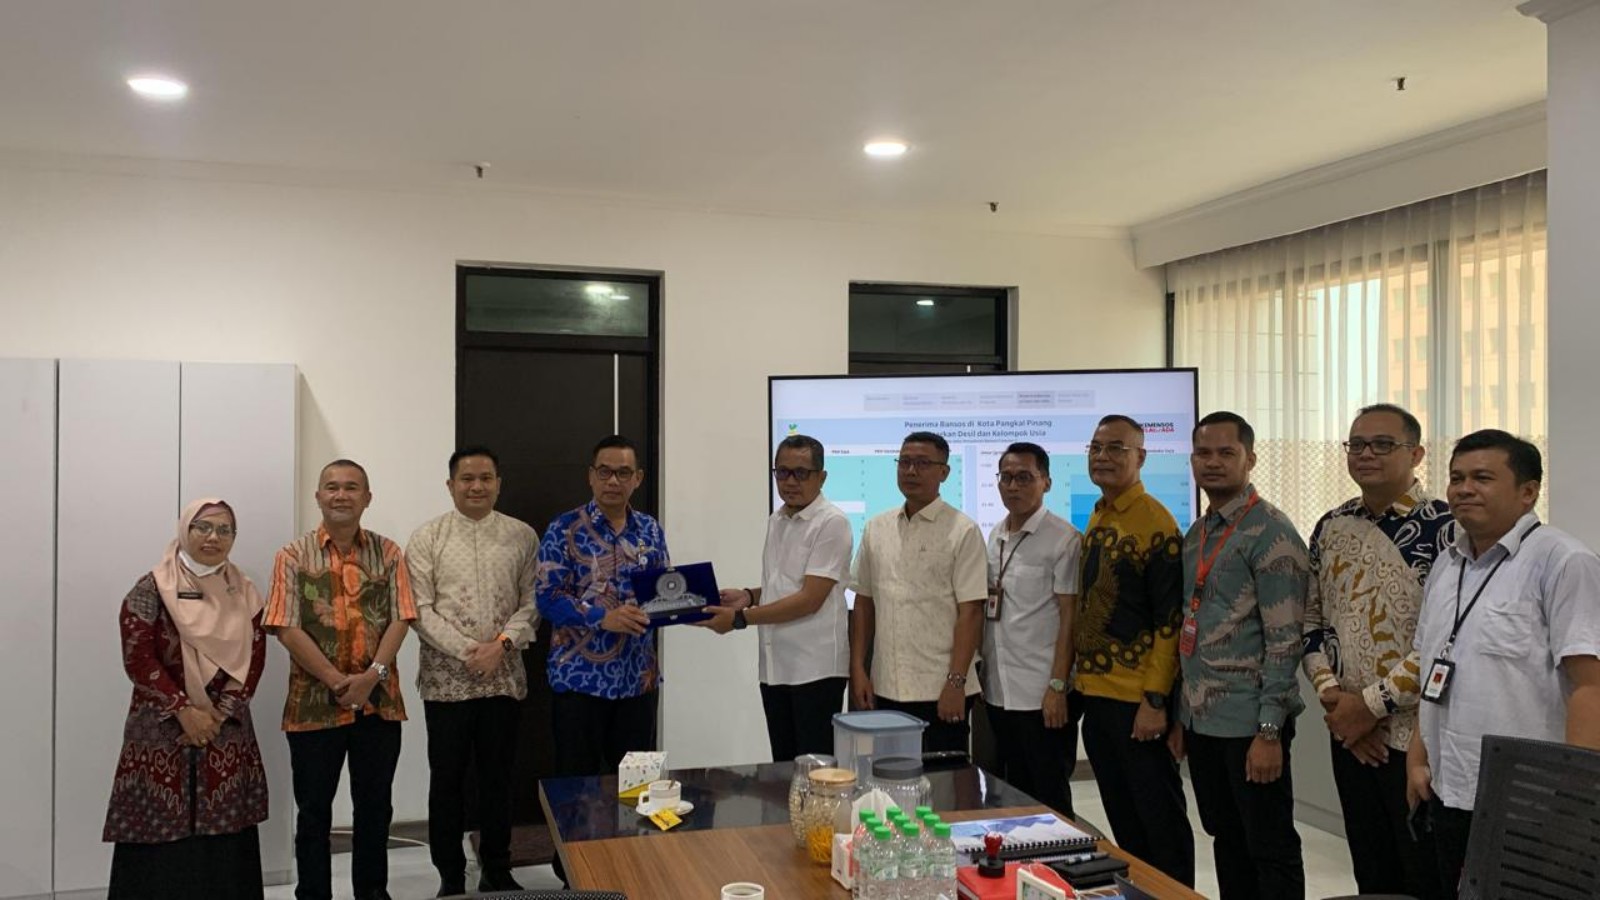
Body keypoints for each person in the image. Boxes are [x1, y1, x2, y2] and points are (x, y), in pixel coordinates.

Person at [1406, 429, 1600, 893]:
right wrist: (1417, 755)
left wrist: (1574, 798)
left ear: (1528, 492)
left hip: (1530, 800)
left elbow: (1590, 685)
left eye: (1482, 478)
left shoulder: (1564, 561)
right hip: (1449, 787)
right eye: (1457, 478)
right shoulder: (1447, 564)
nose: (1464, 489)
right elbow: (1434, 667)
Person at [1301, 404, 1448, 899]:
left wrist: (1370, 707)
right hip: (1350, 736)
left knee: (1424, 875)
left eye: (1383, 444)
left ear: (1417, 454)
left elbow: (1446, 641)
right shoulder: (1332, 525)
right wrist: (1337, 703)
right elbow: (1312, 623)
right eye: (1357, 444)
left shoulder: (1448, 529)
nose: (1367, 454)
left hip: (1418, 740)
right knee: (1370, 870)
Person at [265, 459, 416, 900]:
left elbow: (402, 618)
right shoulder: (292, 555)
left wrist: (372, 676)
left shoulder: (389, 553)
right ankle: (313, 894)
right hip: (312, 706)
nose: (341, 495)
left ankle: (373, 892)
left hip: (378, 703)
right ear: (318, 496)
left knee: (375, 808)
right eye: (332, 487)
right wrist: (335, 679)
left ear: (367, 498)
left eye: (352, 487)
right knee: (314, 812)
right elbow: (284, 626)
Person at [103, 499, 269, 900]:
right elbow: (138, 657)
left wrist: (219, 714)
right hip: (162, 728)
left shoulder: (245, 591)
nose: (214, 537)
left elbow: (255, 656)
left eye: (224, 530)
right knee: (160, 828)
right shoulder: (152, 587)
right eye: (203, 527)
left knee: (225, 829)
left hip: (225, 729)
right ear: (185, 530)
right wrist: (182, 711)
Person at [1174, 411, 1308, 900]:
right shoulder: (1199, 532)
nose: (1212, 463)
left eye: (1226, 453)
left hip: (1250, 723)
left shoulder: (1271, 532)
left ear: (1250, 459)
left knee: (1269, 846)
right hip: (1203, 720)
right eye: (1203, 453)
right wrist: (1182, 716)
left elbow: (1285, 641)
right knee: (1226, 838)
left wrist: (1269, 731)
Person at [406, 447, 539, 897]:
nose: (477, 486)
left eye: (486, 478)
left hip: (503, 678)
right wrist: (470, 652)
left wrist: (500, 647)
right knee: (447, 781)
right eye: (467, 479)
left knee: (498, 779)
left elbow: (533, 602)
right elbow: (419, 610)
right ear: (450, 485)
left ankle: (497, 869)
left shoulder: (522, 536)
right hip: (447, 684)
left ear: (499, 483)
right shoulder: (427, 538)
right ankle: (449, 874)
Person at [1074, 415, 1195, 886]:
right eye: (1096, 447)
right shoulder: (1100, 513)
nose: (1102, 457)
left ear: (1140, 457)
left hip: (1137, 703)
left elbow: (1170, 621)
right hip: (1098, 696)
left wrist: (1155, 699)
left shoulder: (1155, 522)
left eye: (1116, 449)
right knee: (1125, 824)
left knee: (1160, 824)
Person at [702, 434, 853, 761]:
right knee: (784, 766)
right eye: (782, 472)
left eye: (801, 473)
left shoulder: (832, 523)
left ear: (821, 477)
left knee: (816, 769)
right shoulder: (778, 519)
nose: (790, 481)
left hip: (815, 669)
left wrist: (740, 619)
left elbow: (809, 599)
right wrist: (748, 596)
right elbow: (784, 585)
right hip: (775, 665)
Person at [535, 434, 670, 776]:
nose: (613, 481)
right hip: (579, 682)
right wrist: (602, 617)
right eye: (605, 471)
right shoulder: (564, 529)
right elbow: (547, 597)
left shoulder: (650, 530)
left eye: (623, 473)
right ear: (591, 475)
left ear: (637, 478)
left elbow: (663, 592)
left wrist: (694, 607)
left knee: (637, 788)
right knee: (577, 790)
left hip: (638, 681)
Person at [849, 431, 987, 752]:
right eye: (905, 462)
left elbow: (970, 613)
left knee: (944, 778)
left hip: (940, 689)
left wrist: (956, 682)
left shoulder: (963, 531)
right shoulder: (876, 528)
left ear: (944, 472)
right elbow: (864, 602)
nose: (911, 471)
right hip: (886, 685)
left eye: (923, 463)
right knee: (887, 774)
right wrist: (858, 669)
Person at [979, 442, 1082, 817]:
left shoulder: (1064, 539)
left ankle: (1063, 856)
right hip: (1000, 690)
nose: (1013, 486)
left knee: (1050, 796)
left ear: (1046, 482)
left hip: (1042, 694)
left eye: (1024, 477)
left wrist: (1057, 686)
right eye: (1006, 477)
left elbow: (1070, 617)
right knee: (1014, 794)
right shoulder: (996, 534)